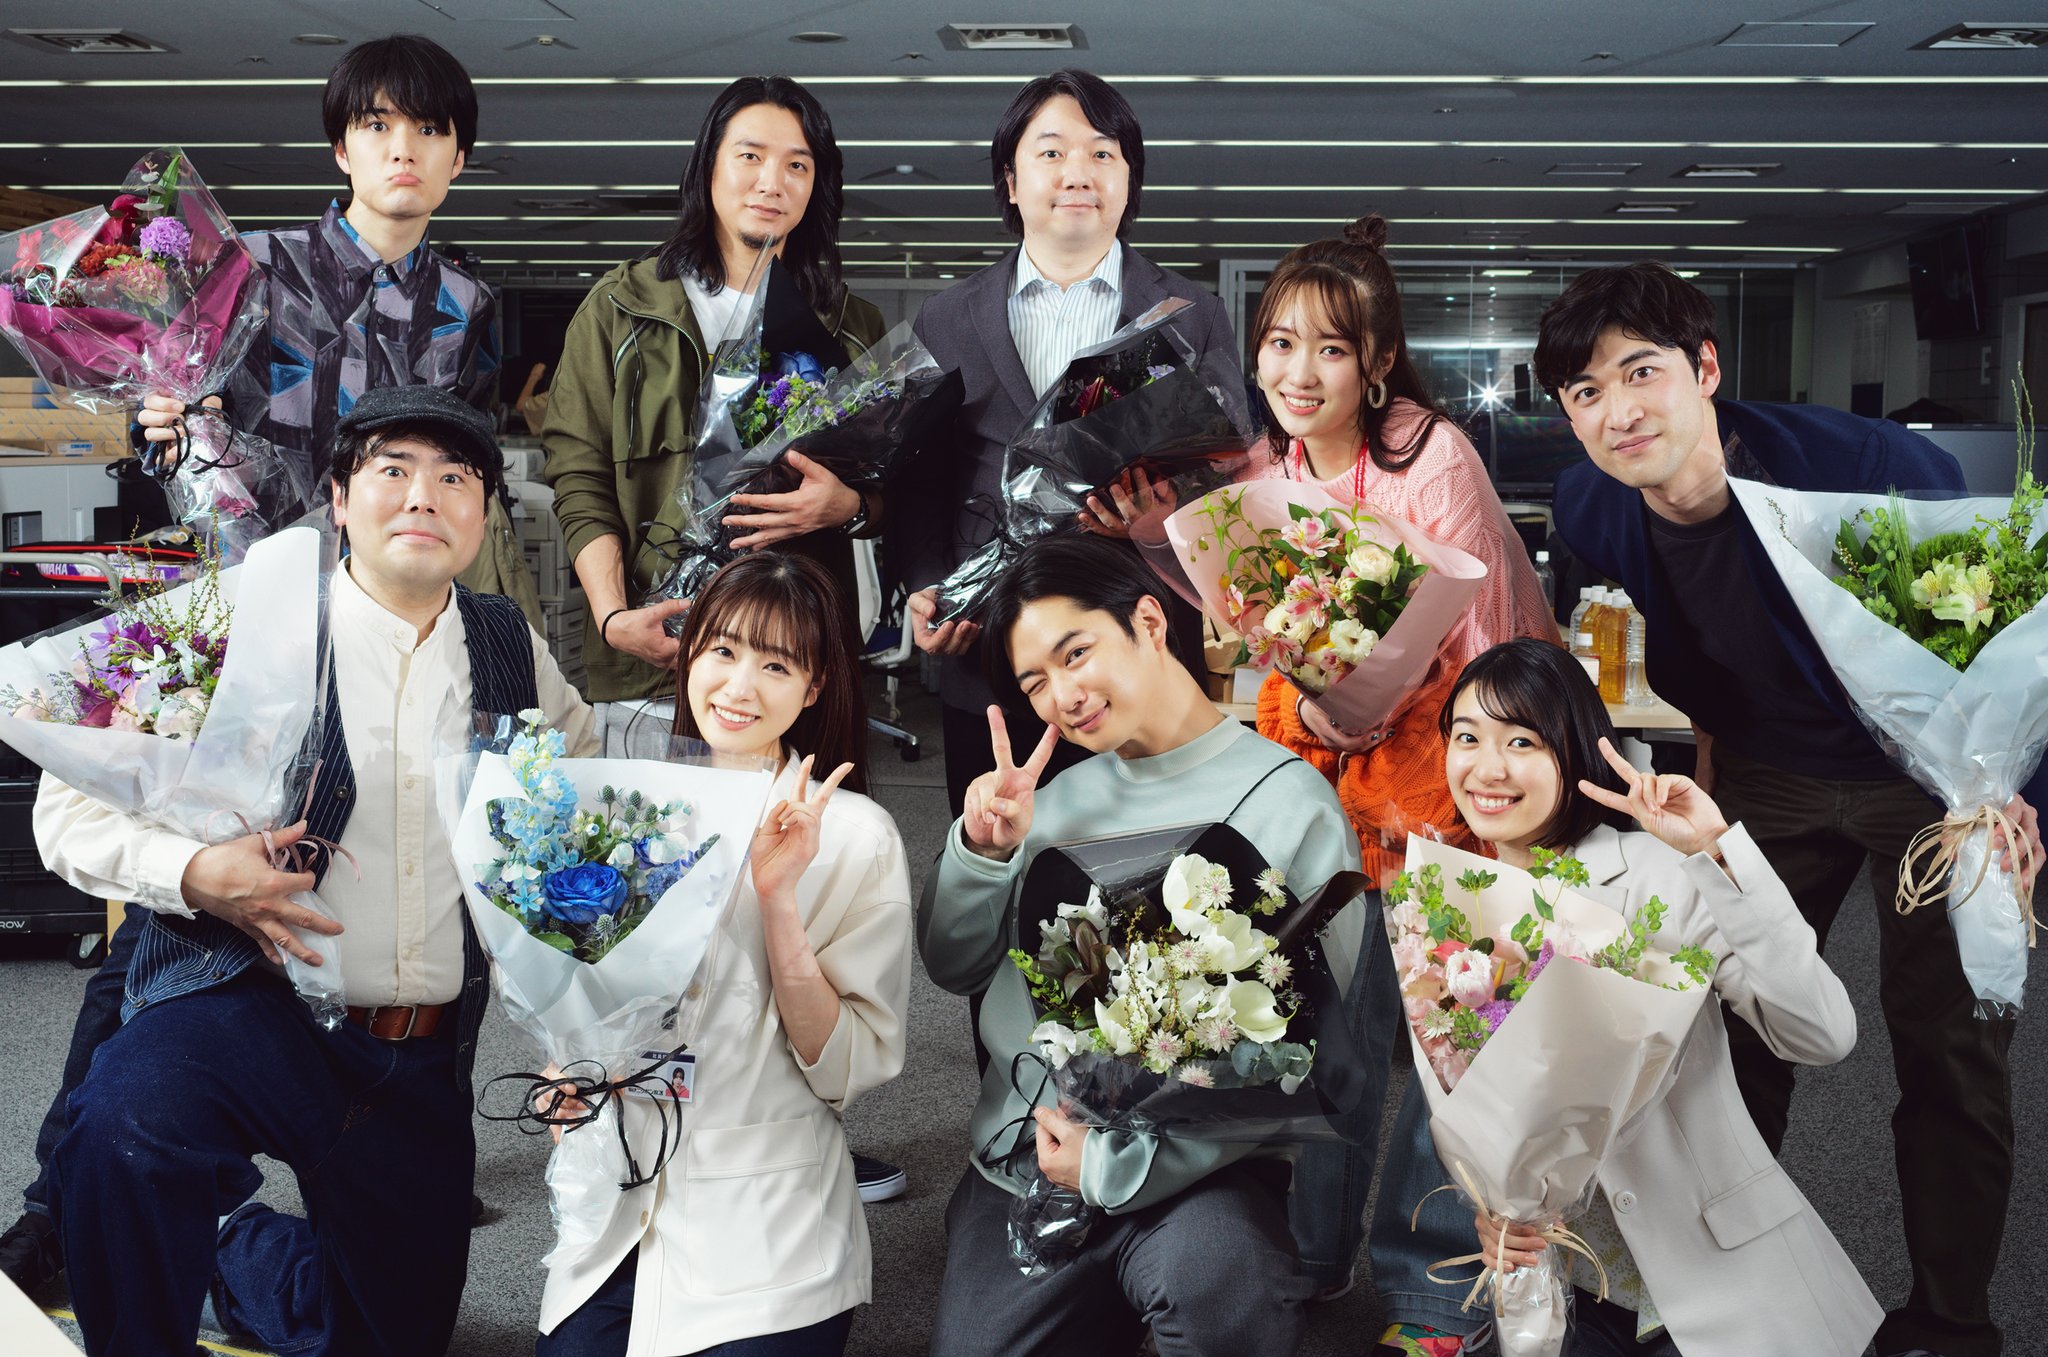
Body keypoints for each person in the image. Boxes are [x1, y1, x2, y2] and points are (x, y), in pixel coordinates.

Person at [0, 39, 527, 1298]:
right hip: (248, 628)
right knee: (186, 915)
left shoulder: (470, 301)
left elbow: (461, 464)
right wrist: (160, 419)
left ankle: (414, 1128)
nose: (403, 151)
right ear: (341, 145)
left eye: (429, 132)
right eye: (379, 127)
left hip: (390, 624)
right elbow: (166, 424)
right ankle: (63, 1202)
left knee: (428, 878)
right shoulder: (249, 266)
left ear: (458, 157)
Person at [1538, 262, 2042, 1357]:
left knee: (1950, 1048)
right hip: (1768, 771)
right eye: (1584, 391)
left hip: (1926, 779)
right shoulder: (1591, 503)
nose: (1618, 411)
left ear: (1705, 369)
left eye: (1640, 372)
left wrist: (2015, 796)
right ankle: (1711, 1294)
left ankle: (1949, 1322)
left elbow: (2017, 638)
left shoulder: (1870, 471)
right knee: (1723, 1029)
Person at [31, 385, 595, 1356]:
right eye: (393, 469)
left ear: (481, 515)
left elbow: (573, 810)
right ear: (338, 498)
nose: (422, 496)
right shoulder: (240, 618)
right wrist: (195, 869)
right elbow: (65, 808)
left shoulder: (512, 646)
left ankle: (232, 1246)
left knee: (389, 1332)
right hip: (247, 1002)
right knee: (125, 1126)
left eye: (455, 477)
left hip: (412, 1048)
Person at [1191, 214, 1556, 1335]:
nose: (1298, 372)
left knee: (1450, 1054)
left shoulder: (1431, 456)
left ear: (1378, 361)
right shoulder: (1267, 468)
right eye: (1279, 343)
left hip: (1456, 785)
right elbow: (1264, 642)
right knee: (1331, 1044)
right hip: (1326, 791)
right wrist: (1307, 702)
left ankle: (1423, 1282)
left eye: (1331, 348)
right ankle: (1311, 1255)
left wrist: (1359, 707)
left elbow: (1475, 644)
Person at [916, 532, 1367, 1357]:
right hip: (1032, 1157)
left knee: (1222, 1289)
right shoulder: (1049, 801)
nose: (1063, 695)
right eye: (1035, 683)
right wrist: (982, 851)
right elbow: (954, 965)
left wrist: (1113, 1166)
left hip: (1203, 1171)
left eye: (1075, 653)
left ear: (1150, 621)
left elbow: (1301, 1056)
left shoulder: (1289, 805)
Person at [1445, 637, 1880, 1356]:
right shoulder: (1450, 912)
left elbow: (1823, 1035)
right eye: (1467, 737)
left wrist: (1715, 851)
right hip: (1568, 1289)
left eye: (1521, 741)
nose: (1488, 768)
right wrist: (1495, 1213)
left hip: (1713, 1280)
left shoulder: (1658, 874)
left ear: (1575, 750)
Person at [534, 552, 912, 1356]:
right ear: (689, 655)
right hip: (620, 1203)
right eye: (723, 651)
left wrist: (779, 904)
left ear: (814, 685)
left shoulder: (854, 836)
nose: (740, 686)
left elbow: (847, 1068)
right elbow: (585, 996)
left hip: (766, 1228)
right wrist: (571, 1069)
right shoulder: (624, 811)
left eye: (776, 664)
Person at [892, 68, 1246, 821]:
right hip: (991, 643)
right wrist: (928, 585)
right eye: (1051, 152)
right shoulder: (948, 316)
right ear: (1010, 181)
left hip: (1139, 646)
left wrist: (1163, 522)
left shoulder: (1191, 312)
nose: (1078, 173)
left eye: (1103, 153)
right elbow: (917, 481)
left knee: (1160, 868)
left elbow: (1229, 477)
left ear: (1129, 179)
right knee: (1000, 850)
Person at [542, 75, 887, 712]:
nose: (771, 182)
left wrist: (850, 507)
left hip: (796, 661)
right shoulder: (622, 307)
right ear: (708, 167)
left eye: (797, 165)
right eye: (750, 156)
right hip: (653, 653)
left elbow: (894, 488)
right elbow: (578, 472)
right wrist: (614, 616)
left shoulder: (851, 326)